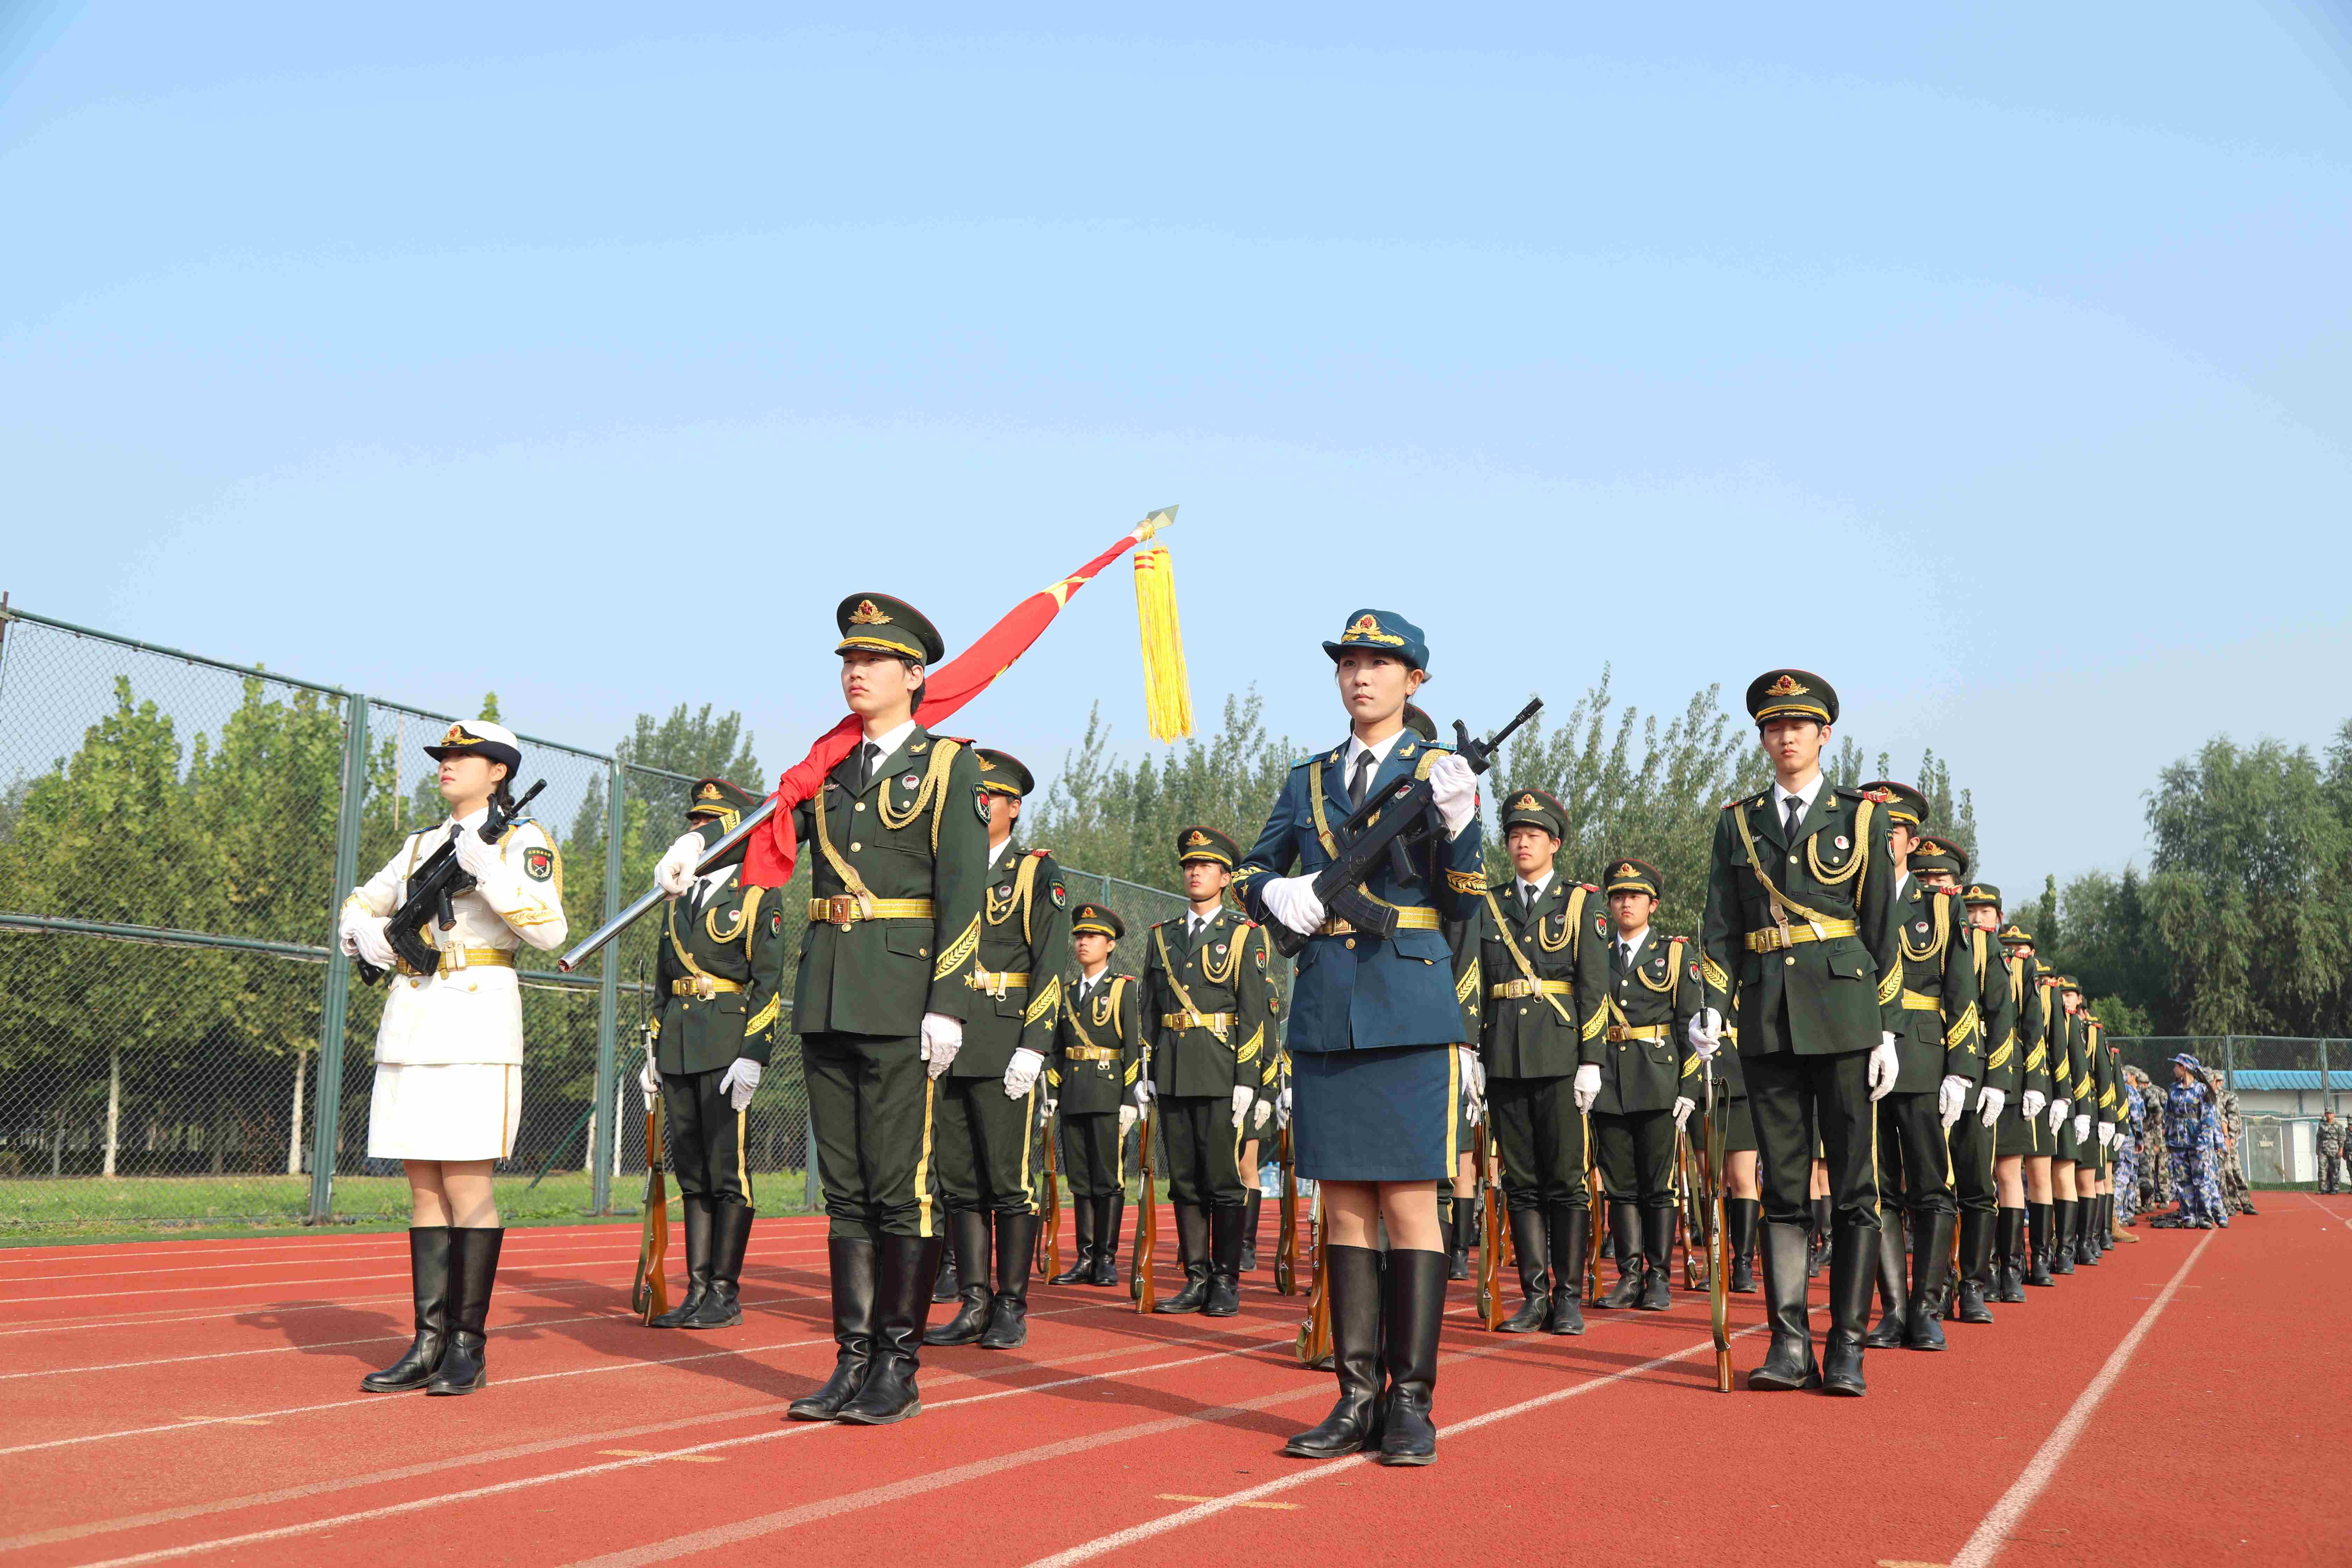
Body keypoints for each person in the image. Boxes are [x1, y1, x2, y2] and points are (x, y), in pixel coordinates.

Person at [675, 593, 987, 1426]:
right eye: (849, 659)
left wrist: (948, 1003)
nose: (856, 670)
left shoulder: (949, 768)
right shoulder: (827, 769)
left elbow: (964, 894)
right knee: (845, 1192)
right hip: (830, 995)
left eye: (873, 659)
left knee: (901, 1189)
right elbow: (769, 837)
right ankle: (852, 1360)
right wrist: (699, 850)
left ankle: (897, 1365)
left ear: (913, 675)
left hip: (904, 997)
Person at [1237, 608, 1485, 1464]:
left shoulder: (1441, 770)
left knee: (1411, 1204)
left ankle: (1410, 1402)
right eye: (1349, 663)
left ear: (1414, 681)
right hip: (1327, 1007)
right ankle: (1353, 1396)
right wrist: (1276, 894)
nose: (1361, 677)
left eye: (1379, 664)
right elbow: (1254, 867)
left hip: (1409, 1007)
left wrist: (1462, 822)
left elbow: (1463, 902)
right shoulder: (1308, 779)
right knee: (1342, 1204)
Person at [340, 719, 568, 1396]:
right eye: (444, 756)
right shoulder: (421, 844)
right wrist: (364, 932)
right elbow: (361, 900)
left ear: (499, 772)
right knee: (423, 1188)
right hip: (413, 1018)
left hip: (476, 1021)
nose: (447, 764)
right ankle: (427, 1343)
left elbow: (550, 929)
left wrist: (489, 872)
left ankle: (468, 1346)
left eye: (464, 757)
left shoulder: (521, 840)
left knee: (467, 1186)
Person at [1696, 670, 1905, 1397]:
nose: (1786, 736)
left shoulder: (1863, 818)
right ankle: (1789, 1342)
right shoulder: (1738, 822)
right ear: (1762, 738)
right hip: (1767, 1017)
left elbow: (1882, 930)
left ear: (1824, 735)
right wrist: (1711, 1004)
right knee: (1783, 1187)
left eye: (1798, 724)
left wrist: (1887, 1028)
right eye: (1773, 726)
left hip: (1846, 1016)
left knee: (1853, 1188)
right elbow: (1720, 927)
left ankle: (1846, 1345)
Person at [921, 749, 1069, 1351]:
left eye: (988, 798)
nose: (978, 808)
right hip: (949, 1041)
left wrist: (1034, 1047)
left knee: (1009, 1183)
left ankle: (1011, 1305)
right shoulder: (945, 869)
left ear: (1013, 808)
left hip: (1006, 1041)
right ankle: (974, 1301)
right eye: (971, 798)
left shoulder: (1035, 872)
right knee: (959, 1182)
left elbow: (1050, 965)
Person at [638, 777, 788, 1331]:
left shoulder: (757, 896)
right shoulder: (676, 898)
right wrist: (654, 1054)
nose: (699, 831)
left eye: (710, 823)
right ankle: (697, 1290)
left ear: (736, 832)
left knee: (729, 1174)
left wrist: (754, 1054)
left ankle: (725, 1292)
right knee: (692, 1175)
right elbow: (663, 984)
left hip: (727, 1044)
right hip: (679, 1043)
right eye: (695, 822)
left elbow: (768, 984)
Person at [1472, 787, 1608, 1334]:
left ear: (1555, 843)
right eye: (1514, 835)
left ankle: (1568, 1297)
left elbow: (1594, 988)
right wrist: (1472, 1050)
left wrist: (1591, 1060)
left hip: (1560, 1056)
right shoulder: (1490, 904)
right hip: (1505, 1056)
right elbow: (1474, 982)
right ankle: (1533, 1296)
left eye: (1532, 834)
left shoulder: (1580, 903)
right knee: (1520, 1182)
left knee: (1566, 1183)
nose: (1521, 843)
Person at [1852, 795, 1980, 1354]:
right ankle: (1893, 1310)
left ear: (1911, 842)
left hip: (1924, 1060)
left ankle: (1927, 1308)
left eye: (1894, 831)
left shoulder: (1941, 908)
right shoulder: (1848, 903)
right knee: (1877, 1192)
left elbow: (1962, 992)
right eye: (1875, 830)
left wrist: (1962, 1071)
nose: (1885, 840)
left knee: (1930, 1187)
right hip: (1861, 1058)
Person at [1143, 826, 1280, 1317]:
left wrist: (1249, 1079)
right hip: (1174, 1071)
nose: (1195, 872)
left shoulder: (1244, 934)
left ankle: (1225, 1280)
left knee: (1223, 1181)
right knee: (1184, 1181)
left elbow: (1254, 1013)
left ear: (1225, 878)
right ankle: (1196, 1278)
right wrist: (1147, 1070)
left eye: (1205, 866)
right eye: (1189, 865)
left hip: (1223, 1073)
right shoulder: (1163, 937)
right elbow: (1149, 1010)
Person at [1590, 856, 1701, 1314]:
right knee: (1620, 1186)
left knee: (1659, 1187)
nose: (1626, 903)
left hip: (1658, 1082)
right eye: (1618, 896)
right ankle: (1629, 1276)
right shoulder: (1596, 953)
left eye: (1635, 896)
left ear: (1653, 904)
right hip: (1609, 1082)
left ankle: (1659, 1277)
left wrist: (1690, 1088)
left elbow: (1691, 1026)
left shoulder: (1675, 954)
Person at [1047, 903, 1146, 1287]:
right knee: (1079, 1179)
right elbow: (1056, 1049)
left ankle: (1106, 1258)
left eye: (1092, 936)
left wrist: (1129, 1099)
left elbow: (1133, 1047)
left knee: (1108, 1179)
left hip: (1108, 1094)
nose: (1083, 943)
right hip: (1073, 1093)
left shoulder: (1124, 989)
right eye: (1079, 936)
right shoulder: (1067, 992)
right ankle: (1085, 1257)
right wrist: (1052, 1091)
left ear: (1111, 944)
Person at [1940, 872, 2015, 1322]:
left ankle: (1972, 1285)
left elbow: (2002, 1017)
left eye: (1984, 911)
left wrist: (1997, 1080)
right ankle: (1936, 1284)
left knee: (1977, 1188)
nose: (1975, 918)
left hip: (1975, 1081)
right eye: (1970, 910)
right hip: (1931, 1072)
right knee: (1931, 1189)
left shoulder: (1989, 950)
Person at [2158, 1055, 2218, 1228]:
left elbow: (2208, 1119)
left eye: (2176, 1066)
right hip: (2178, 1143)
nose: (2174, 1070)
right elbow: (2169, 1116)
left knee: (2201, 1180)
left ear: (2184, 1068)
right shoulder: (2173, 1090)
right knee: (2183, 1181)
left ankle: (2205, 1217)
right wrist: (2169, 1140)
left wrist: (2203, 1142)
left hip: (2196, 1142)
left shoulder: (2202, 1090)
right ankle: (2189, 1216)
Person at [2319, 1110, 2348, 1196]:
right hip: (2323, 1150)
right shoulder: (2322, 1125)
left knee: (2335, 1170)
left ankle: (2335, 1188)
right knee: (2322, 1170)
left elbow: (2342, 1138)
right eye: (2327, 1114)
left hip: (2334, 1151)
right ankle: (2323, 1189)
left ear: (2334, 1115)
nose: (2329, 1115)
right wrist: (2317, 1148)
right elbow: (2319, 1137)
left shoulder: (2338, 1126)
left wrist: (2341, 1150)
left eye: (2330, 1114)